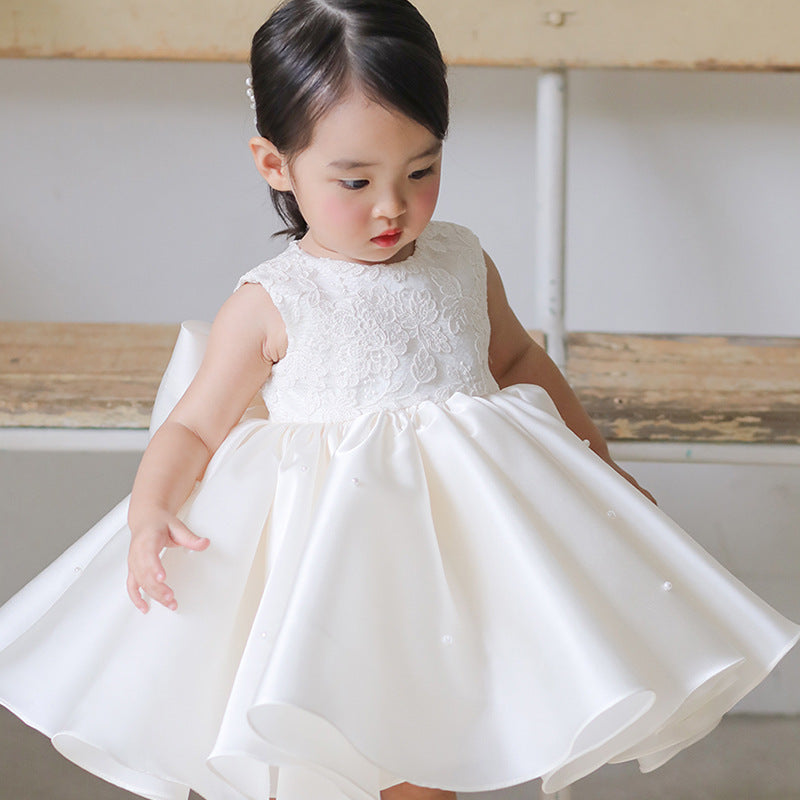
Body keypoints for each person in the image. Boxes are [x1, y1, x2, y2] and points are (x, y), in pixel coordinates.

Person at [1, 1, 798, 799]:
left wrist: (600, 464)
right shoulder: (275, 301)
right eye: (355, 180)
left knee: (435, 740)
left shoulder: (459, 259)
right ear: (276, 165)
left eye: (422, 170)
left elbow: (518, 358)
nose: (393, 206)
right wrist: (151, 512)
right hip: (332, 563)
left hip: (459, 551)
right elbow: (193, 426)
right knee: (335, 744)